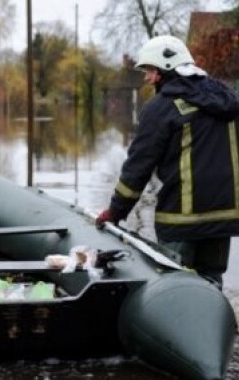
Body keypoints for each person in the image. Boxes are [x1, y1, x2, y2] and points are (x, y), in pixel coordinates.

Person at [96, 35, 239, 288]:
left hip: (180, 220)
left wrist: (115, 211)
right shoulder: (227, 101)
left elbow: (137, 169)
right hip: (223, 215)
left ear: (166, 69)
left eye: (150, 70)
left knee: (175, 284)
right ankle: (211, 322)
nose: (146, 78)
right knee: (211, 281)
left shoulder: (160, 108)